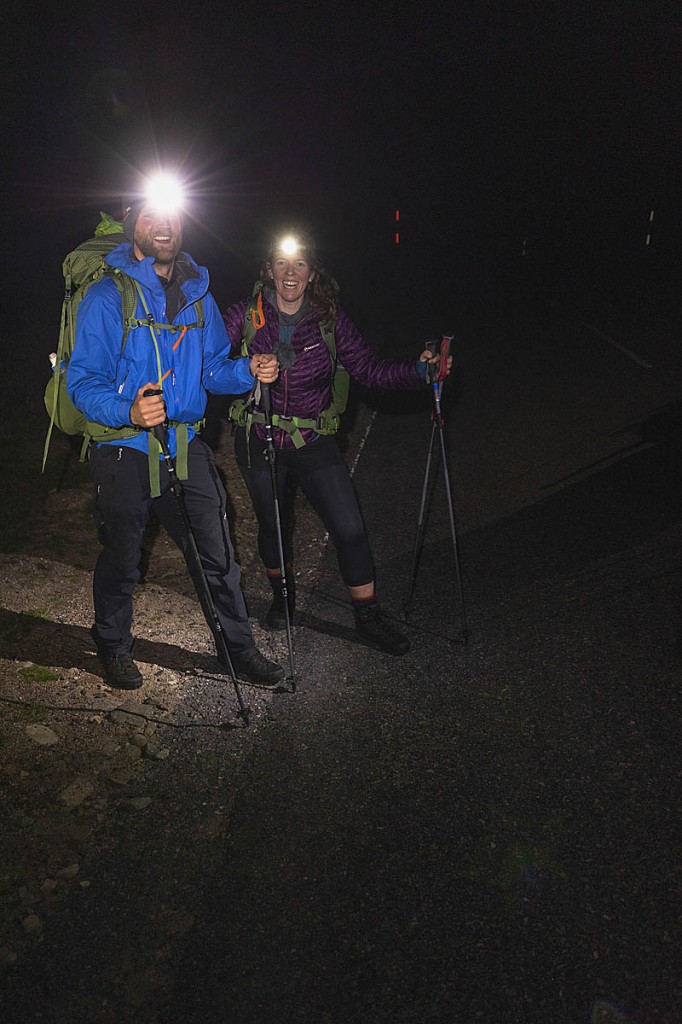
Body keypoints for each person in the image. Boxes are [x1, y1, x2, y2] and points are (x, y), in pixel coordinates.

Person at [66, 182, 284, 690]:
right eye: (150, 215)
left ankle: (238, 648)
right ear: (132, 223)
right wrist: (128, 410)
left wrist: (247, 369)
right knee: (123, 555)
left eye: (172, 215)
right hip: (123, 448)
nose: (163, 225)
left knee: (217, 554)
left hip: (185, 448)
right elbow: (82, 381)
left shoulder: (198, 296)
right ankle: (113, 643)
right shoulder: (106, 296)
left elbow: (210, 370)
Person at [222, 231, 452, 657]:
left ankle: (367, 617)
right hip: (257, 437)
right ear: (268, 270)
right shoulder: (244, 315)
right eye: (282, 264)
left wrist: (419, 372)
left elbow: (368, 368)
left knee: (349, 529)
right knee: (274, 525)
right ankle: (282, 599)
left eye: (300, 265)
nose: (290, 273)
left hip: (312, 439)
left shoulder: (330, 320)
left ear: (312, 274)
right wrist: (243, 365)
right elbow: (209, 361)